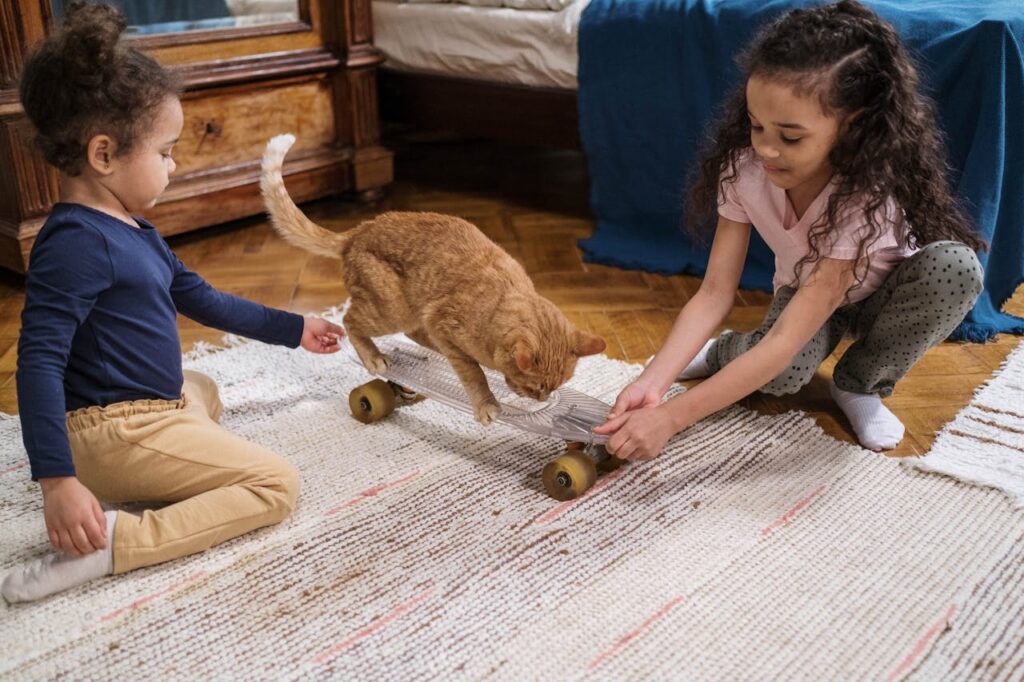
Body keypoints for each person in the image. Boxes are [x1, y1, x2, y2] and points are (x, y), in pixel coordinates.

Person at [2, 1, 345, 603]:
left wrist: (297, 327)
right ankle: (114, 542)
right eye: (165, 152)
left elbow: (206, 302)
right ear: (103, 155)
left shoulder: (132, 231)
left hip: (139, 412)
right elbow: (39, 361)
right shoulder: (75, 245)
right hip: (109, 434)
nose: (174, 164)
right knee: (276, 485)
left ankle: (152, 459)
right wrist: (56, 480)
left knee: (202, 386)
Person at [595, 0, 984, 460]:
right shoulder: (743, 171)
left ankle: (861, 385)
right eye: (756, 126)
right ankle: (726, 351)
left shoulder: (865, 192)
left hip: (886, 297)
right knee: (780, 375)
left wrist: (672, 418)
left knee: (956, 268)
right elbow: (715, 292)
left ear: (851, 126)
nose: (766, 149)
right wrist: (652, 382)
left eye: (790, 137)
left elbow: (782, 341)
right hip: (805, 296)